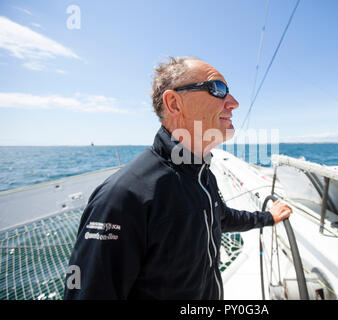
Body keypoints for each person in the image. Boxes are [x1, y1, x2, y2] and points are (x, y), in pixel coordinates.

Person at [64, 56, 293, 300]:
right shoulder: (123, 197)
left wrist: (268, 217)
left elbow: (221, 218)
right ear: (174, 103)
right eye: (218, 89)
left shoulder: (202, 175)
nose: (234, 103)